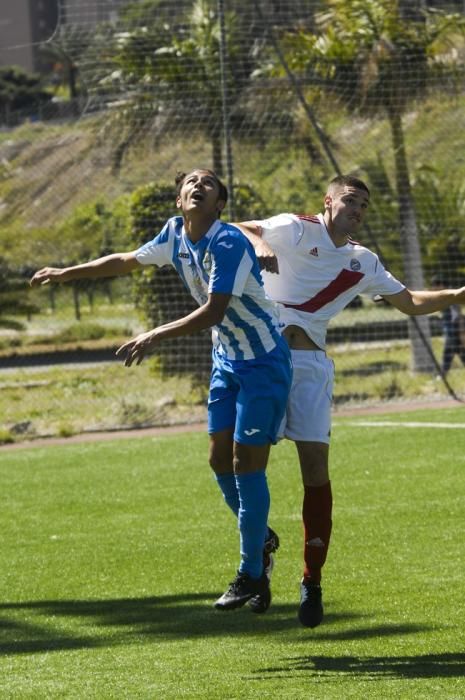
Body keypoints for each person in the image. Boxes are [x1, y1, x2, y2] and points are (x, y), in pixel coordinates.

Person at [30, 168, 292, 612]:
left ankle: (250, 572)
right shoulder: (174, 234)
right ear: (179, 201)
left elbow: (214, 310)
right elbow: (126, 260)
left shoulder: (227, 242)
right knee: (217, 459)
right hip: (227, 360)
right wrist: (67, 273)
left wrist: (154, 335)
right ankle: (261, 536)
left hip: (263, 361)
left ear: (219, 205)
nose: (198, 185)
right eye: (191, 181)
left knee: (245, 464)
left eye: (208, 183)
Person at [237, 174, 465, 628]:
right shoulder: (295, 228)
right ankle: (256, 559)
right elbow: (240, 227)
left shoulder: (362, 261)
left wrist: (460, 294)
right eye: (349, 201)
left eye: (363, 205)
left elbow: (412, 301)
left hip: (310, 370)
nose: (357, 210)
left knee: (316, 474)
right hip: (262, 364)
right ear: (328, 201)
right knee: (243, 467)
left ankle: (311, 580)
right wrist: (256, 242)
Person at [431, 275, 465, 374]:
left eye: (434, 286)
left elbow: (458, 315)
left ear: (441, 285)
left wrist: (462, 332)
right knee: (459, 353)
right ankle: (442, 375)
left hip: (454, 331)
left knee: (448, 354)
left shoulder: (451, 296)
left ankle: (441, 375)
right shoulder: (444, 297)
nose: (433, 289)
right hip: (451, 331)